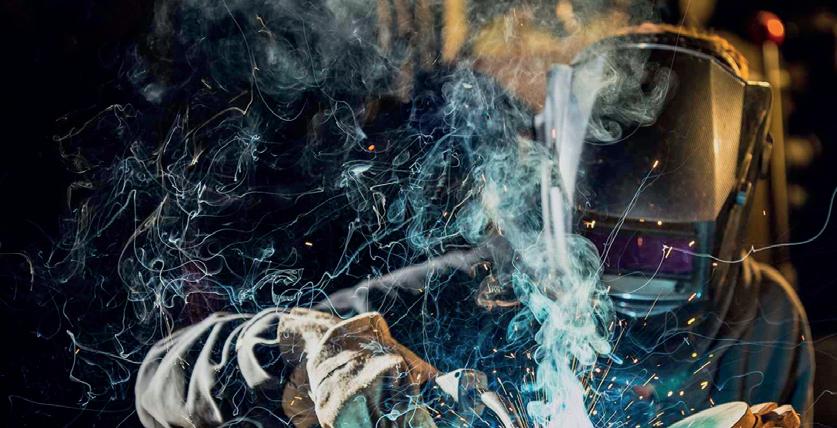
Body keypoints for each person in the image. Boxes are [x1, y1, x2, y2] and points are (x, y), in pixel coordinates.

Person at [133, 4, 813, 426]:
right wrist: (298, 348)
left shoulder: (767, 322)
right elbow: (162, 375)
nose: (626, 274)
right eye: (599, 248)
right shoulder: (481, 291)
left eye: (667, 253)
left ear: (732, 207)